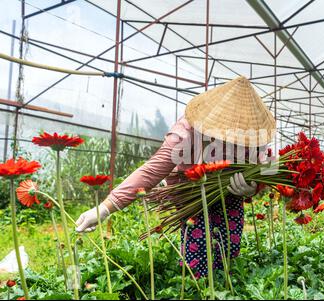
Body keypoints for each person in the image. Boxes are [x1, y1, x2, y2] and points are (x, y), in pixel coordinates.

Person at [75, 76, 276, 277]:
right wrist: (105, 208)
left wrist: (254, 187)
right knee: (198, 251)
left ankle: (225, 286)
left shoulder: (254, 137)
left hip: (229, 192)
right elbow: (152, 170)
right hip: (190, 191)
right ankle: (197, 289)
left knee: (229, 247)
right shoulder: (186, 133)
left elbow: (265, 170)